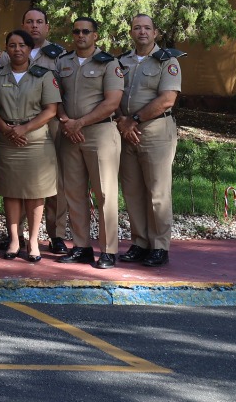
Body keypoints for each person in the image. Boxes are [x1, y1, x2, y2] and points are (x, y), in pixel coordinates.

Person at [56, 17, 125, 269]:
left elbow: (112, 102)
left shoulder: (109, 63)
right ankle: (82, 246)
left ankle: (108, 250)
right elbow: (56, 97)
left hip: (99, 134)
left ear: (95, 35)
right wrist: (66, 121)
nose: (80, 35)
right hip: (70, 134)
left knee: (105, 193)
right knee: (74, 193)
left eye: (86, 31)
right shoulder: (63, 62)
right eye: (76, 31)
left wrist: (80, 123)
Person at [116, 14, 183, 268]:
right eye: (136, 28)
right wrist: (123, 121)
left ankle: (159, 246)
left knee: (158, 192)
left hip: (155, 131)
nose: (141, 32)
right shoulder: (122, 61)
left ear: (155, 33)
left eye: (147, 28)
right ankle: (140, 242)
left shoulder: (168, 61)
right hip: (126, 131)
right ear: (131, 32)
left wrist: (133, 118)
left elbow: (167, 99)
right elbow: (112, 94)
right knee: (132, 192)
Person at [0, 30, 61, 262]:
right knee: (10, 191)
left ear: (30, 49)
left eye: (22, 45)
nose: (17, 49)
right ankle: (13, 239)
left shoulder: (44, 74)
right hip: (6, 139)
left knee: (35, 192)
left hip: (35, 141)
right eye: (12, 45)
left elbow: (51, 109)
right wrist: (5, 129)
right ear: (6, 49)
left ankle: (32, 241)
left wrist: (24, 129)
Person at [23, 7, 69, 254]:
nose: (34, 26)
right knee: (19, 176)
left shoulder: (59, 55)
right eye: (29, 21)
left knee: (54, 179)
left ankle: (56, 234)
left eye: (39, 22)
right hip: (18, 121)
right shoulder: (12, 50)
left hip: (51, 121)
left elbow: (66, 90)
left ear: (47, 27)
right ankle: (18, 233)